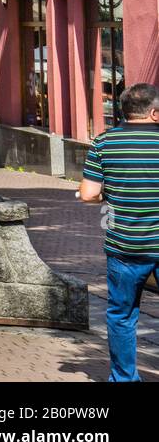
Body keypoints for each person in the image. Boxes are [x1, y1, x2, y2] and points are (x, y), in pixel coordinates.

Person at [78, 83, 159, 381]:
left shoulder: (103, 143)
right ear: (153, 112)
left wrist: (107, 194)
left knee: (122, 315)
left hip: (124, 246)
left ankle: (124, 378)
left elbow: (88, 194)